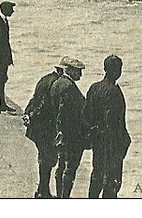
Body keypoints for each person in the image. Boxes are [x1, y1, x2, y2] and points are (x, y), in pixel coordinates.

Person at [84, 55, 131, 198]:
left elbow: (86, 114)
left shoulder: (94, 87)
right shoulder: (113, 91)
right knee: (112, 180)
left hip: (98, 139)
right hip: (112, 142)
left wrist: (93, 132)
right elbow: (113, 121)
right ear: (117, 71)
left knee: (97, 172)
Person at [23, 59, 66, 198]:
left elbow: (35, 99)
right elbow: (44, 105)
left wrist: (27, 114)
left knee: (44, 158)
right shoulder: (56, 84)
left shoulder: (45, 79)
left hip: (37, 126)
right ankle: (43, 192)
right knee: (48, 160)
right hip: (45, 128)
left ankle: (42, 190)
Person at [51, 57, 88, 198]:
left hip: (61, 133)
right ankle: (64, 196)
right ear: (70, 70)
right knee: (70, 168)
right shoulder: (69, 87)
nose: (80, 74)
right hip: (71, 135)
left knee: (61, 166)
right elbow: (66, 112)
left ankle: (60, 195)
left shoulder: (57, 83)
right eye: (78, 71)